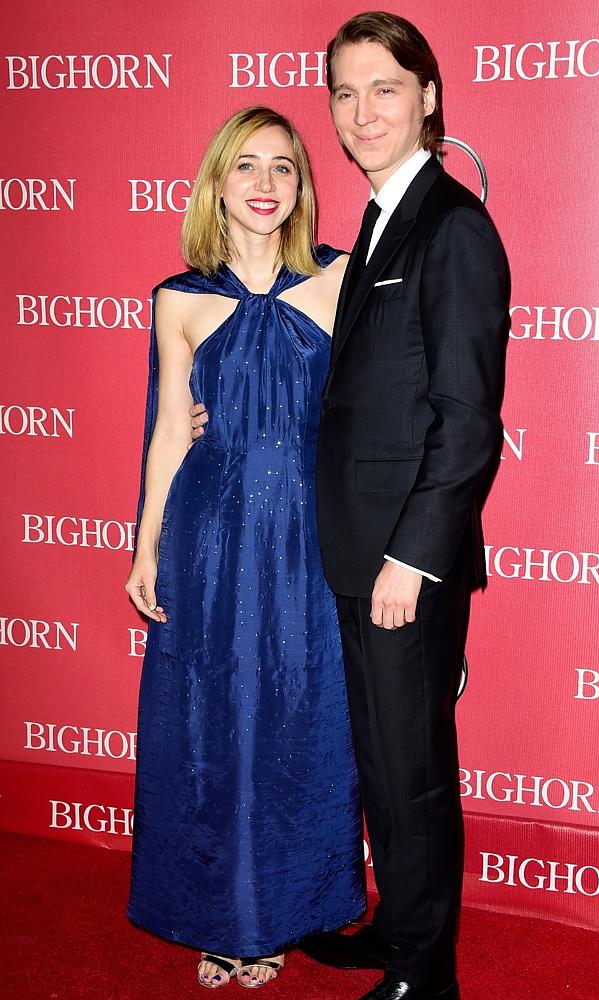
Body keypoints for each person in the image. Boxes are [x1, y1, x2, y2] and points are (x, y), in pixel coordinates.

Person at [192, 12, 510, 1000]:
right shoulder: (376, 222)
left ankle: (423, 973)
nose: (360, 111)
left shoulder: (451, 227)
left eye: (382, 87)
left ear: (426, 99)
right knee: (377, 759)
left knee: (409, 771)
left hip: (398, 564)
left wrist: (411, 561)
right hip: (350, 548)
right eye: (343, 91)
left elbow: (465, 420)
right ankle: (396, 927)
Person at [125, 105, 365, 991]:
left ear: (302, 187)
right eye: (247, 167)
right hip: (212, 537)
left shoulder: (341, 281)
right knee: (212, 726)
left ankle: (280, 912)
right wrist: (144, 546)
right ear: (217, 184)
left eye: (285, 169)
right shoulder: (178, 299)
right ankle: (217, 914)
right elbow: (166, 432)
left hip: (310, 542)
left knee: (298, 723)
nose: (266, 185)